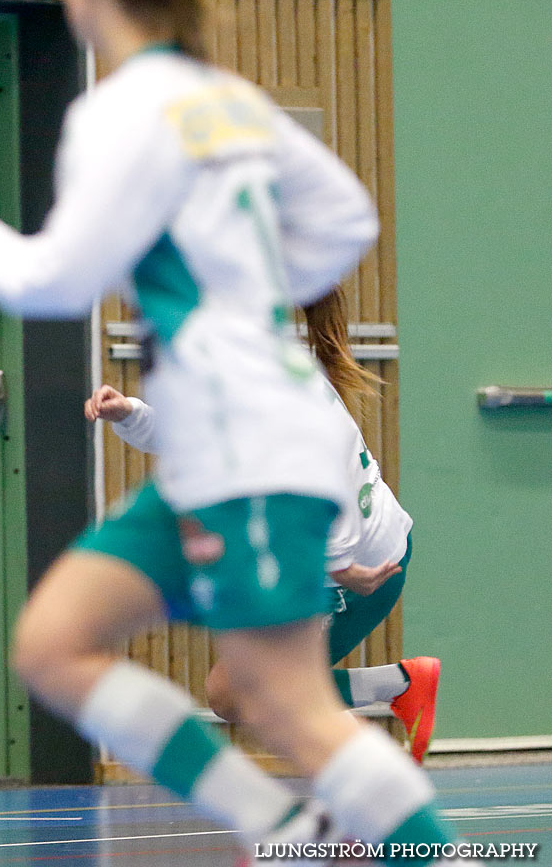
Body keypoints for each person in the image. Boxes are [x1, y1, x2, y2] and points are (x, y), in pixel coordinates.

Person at [0, 0, 472, 865]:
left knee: (292, 709)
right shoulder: (230, 101)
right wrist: (249, 293)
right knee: (55, 642)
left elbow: (56, 278)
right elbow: (348, 220)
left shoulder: (124, 109)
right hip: (224, 445)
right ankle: (278, 824)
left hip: (250, 441)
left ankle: (435, 854)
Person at [87, 288, 440, 763]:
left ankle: (377, 788)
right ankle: (401, 684)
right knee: (228, 695)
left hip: (365, 569)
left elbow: (331, 498)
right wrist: (127, 412)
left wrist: (343, 571)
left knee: (258, 696)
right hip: (324, 564)